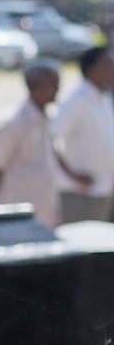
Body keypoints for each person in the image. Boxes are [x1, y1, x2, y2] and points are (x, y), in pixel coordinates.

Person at [0, 63, 86, 228]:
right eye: (52, 84)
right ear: (33, 87)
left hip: (46, 206)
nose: (57, 89)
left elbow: (53, 150)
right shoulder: (13, 124)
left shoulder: (49, 115)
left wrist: (73, 175)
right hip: (19, 211)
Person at [55, 45, 114, 223]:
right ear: (91, 69)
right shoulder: (75, 101)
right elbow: (52, 139)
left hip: (105, 189)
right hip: (82, 194)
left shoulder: (103, 97)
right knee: (84, 246)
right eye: (108, 65)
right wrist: (72, 174)